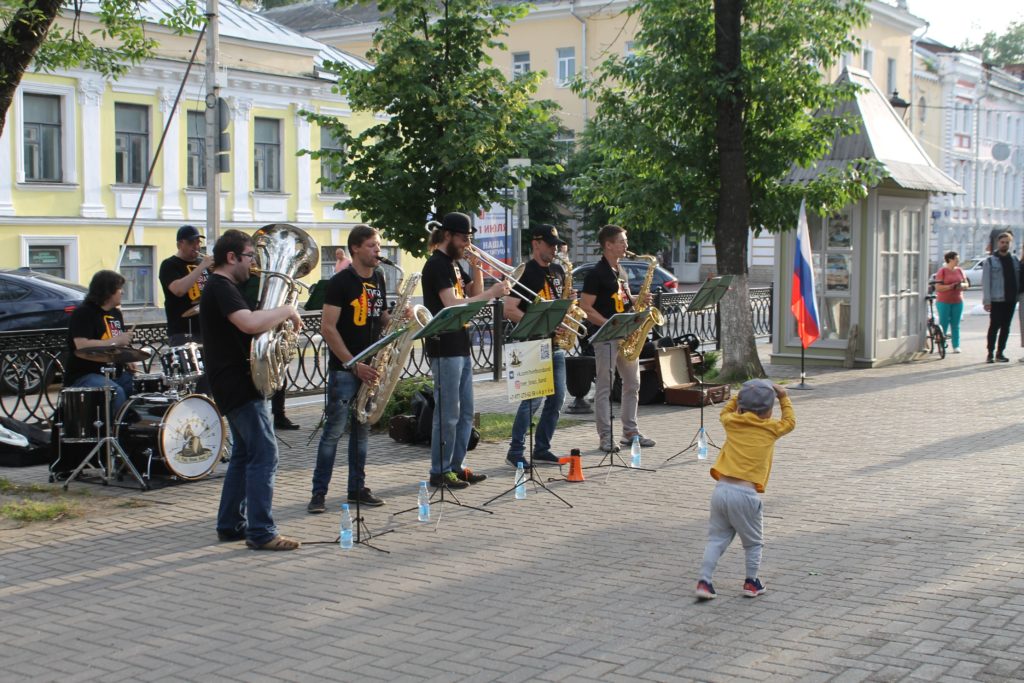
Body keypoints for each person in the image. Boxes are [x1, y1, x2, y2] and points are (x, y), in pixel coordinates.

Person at [201, 229, 303, 551]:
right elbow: (248, 324)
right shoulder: (221, 286)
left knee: (245, 455)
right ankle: (261, 532)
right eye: (250, 257)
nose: (254, 264)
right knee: (265, 454)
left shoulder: (224, 286)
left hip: (234, 381)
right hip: (238, 383)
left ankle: (231, 524)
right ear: (231, 257)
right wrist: (285, 311)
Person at [421, 212, 509, 489]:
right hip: (443, 344)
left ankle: (456, 466)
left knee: (466, 412)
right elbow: (452, 303)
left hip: (460, 343)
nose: (467, 244)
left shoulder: (456, 265)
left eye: (470, 239)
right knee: (447, 413)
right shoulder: (437, 265)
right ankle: (440, 470)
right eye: (463, 239)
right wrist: (492, 294)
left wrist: (479, 266)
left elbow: (473, 293)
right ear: (448, 235)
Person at [308, 225, 391, 513]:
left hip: (370, 366)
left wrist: (397, 319)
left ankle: (357, 488)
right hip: (346, 369)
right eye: (372, 246)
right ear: (355, 248)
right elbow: (328, 328)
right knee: (333, 431)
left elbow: (380, 317)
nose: (377, 251)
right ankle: (318, 494)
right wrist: (354, 365)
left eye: (378, 246)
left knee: (362, 431)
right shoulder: (340, 282)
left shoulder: (379, 277)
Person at [695, 379, 795, 601]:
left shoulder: (731, 422)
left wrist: (739, 394)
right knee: (753, 542)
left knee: (716, 539)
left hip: (721, 490)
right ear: (769, 411)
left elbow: (725, 411)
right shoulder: (771, 428)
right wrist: (784, 396)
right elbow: (790, 421)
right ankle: (751, 582)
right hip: (746, 495)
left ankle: (705, 581)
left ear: (740, 406)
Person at [579, 224, 654, 452]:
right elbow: (585, 307)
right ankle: (605, 437)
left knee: (633, 384)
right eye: (621, 241)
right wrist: (609, 325)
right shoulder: (596, 274)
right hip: (606, 337)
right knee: (605, 387)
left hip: (624, 334)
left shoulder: (620, 271)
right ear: (608, 245)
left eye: (625, 241)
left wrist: (639, 300)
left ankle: (630, 432)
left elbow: (623, 300)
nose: (626, 246)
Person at [504, 224, 569, 469]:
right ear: (536, 243)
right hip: (531, 343)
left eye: (556, 244)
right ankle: (516, 450)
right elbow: (510, 309)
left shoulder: (558, 270)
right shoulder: (526, 272)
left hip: (555, 344)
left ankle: (542, 448)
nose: (554, 248)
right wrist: (541, 323)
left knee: (557, 399)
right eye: (550, 244)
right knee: (532, 401)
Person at [63, 270, 136, 415]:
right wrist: (115, 341)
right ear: (107, 291)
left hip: (114, 372)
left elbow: (118, 342)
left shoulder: (116, 313)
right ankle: (114, 434)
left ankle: (133, 431)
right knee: (116, 393)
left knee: (139, 390)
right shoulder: (83, 313)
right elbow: (81, 345)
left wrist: (128, 357)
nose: (122, 292)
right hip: (85, 373)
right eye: (119, 288)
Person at [239, 263, 300, 430]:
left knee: (279, 374)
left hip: (272, 331)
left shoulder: (265, 278)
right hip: (254, 335)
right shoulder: (245, 283)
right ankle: (266, 415)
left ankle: (279, 415)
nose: (252, 263)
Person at [159, 224, 213, 346]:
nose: (196, 247)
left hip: (205, 328)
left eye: (198, 242)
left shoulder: (202, 263)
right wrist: (201, 267)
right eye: (191, 243)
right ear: (179, 244)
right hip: (182, 331)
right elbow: (178, 290)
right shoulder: (169, 265)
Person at [981, 232, 1020, 363]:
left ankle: (1000, 352)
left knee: (1006, 327)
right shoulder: (990, 261)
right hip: (996, 299)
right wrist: (987, 301)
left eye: (1007, 242)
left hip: (1011, 299)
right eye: (1002, 242)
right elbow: (986, 282)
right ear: (998, 243)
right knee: (994, 326)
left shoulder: (1014, 259)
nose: (1005, 244)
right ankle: (990, 353)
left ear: (1010, 243)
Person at [932, 251, 968, 354]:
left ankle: (956, 345)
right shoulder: (942, 271)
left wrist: (962, 286)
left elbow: (966, 283)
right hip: (944, 301)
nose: (958, 260)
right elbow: (938, 287)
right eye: (956, 258)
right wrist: (950, 286)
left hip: (958, 300)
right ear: (950, 259)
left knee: (955, 324)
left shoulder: (960, 271)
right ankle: (942, 344)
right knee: (944, 323)